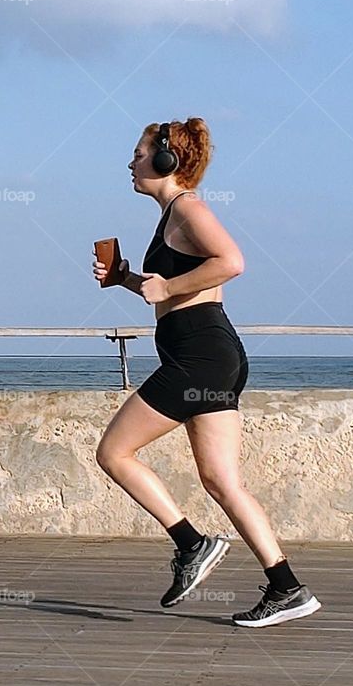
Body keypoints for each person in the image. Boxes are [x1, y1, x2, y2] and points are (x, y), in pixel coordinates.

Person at [91, 117, 321, 628]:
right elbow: (173, 287)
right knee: (221, 480)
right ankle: (288, 588)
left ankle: (191, 544)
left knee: (114, 452)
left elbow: (232, 262)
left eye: (138, 152)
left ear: (166, 161)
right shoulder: (171, 215)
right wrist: (127, 278)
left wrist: (167, 289)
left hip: (200, 357)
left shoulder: (188, 208)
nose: (130, 162)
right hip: (211, 354)